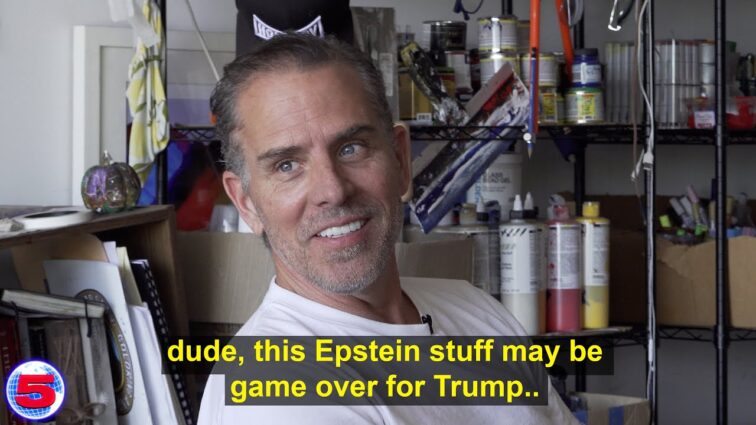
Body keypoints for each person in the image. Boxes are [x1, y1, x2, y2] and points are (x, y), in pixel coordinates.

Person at [198, 33, 579, 424]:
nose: (333, 190)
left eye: (351, 148)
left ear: (400, 159)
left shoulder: (474, 309)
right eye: (287, 166)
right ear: (246, 202)